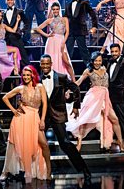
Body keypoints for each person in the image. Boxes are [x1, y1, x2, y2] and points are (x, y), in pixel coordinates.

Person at [40, 54, 92, 185]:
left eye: (47, 64)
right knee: (34, 142)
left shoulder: (61, 77)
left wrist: (76, 105)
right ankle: (29, 171)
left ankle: (84, 170)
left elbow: (75, 88)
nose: (45, 66)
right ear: (40, 65)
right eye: (43, 64)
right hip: (43, 116)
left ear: (51, 64)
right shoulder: (37, 78)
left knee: (65, 143)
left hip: (58, 114)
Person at [0, 65, 51, 183]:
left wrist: (42, 119)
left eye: (29, 74)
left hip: (35, 118)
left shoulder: (40, 86)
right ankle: (5, 171)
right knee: (14, 146)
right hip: (21, 119)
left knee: (44, 144)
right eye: (24, 75)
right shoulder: (20, 88)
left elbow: (45, 104)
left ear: (33, 75)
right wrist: (13, 110)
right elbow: (5, 97)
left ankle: (48, 171)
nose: (26, 77)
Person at [66, 52, 124, 152]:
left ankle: (120, 142)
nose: (97, 63)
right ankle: (79, 142)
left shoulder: (105, 68)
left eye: (99, 60)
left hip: (105, 97)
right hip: (93, 97)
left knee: (115, 119)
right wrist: (68, 90)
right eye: (96, 61)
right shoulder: (88, 71)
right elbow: (78, 82)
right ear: (92, 61)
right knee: (84, 119)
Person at [34, 2, 75, 81]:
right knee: (52, 59)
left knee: (65, 61)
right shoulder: (49, 20)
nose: (55, 11)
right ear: (51, 10)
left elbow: (67, 32)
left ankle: (70, 80)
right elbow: (38, 28)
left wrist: (64, 42)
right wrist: (47, 35)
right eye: (54, 9)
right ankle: (53, 79)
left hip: (61, 41)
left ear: (59, 9)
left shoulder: (64, 19)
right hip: (51, 42)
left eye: (57, 9)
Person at [65, 0, 98, 66]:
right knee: (68, 50)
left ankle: (89, 67)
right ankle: (66, 68)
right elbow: (65, 17)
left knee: (83, 50)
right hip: (70, 30)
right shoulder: (68, 5)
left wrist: (94, 26)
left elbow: (93, 14)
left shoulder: (84, 3)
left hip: (80, 29)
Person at [3, 0, 30, 69]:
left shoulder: (19, 11)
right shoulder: (4, 13)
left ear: (14, 1)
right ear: (6, 1)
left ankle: (28, 72)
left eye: (11, 0)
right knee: (8, 58)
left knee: (23, 56)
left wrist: (22, 31)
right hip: (7, 38)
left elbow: (27, 23)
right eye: (8, 0)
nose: (10, 1)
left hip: (16, 37)